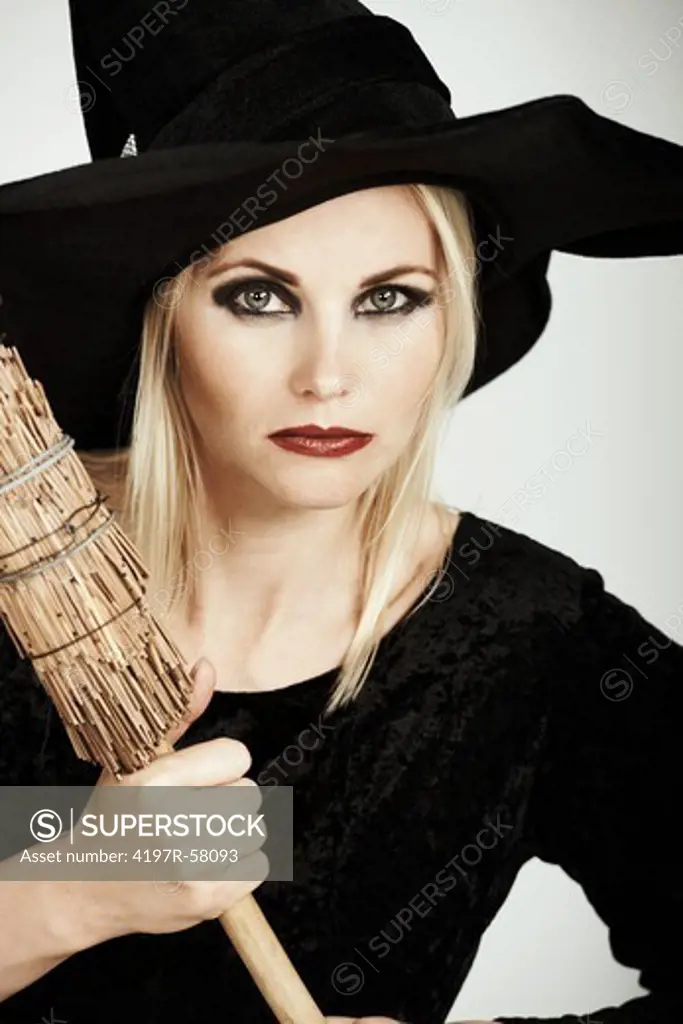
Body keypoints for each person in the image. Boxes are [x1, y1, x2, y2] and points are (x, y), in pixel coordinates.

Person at [0, 3, 681, 1023]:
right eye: (258, 297)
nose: (328, 376)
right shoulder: (18, 572)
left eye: (389, 298)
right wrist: (62, 894)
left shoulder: (533, 644)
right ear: (162, 316)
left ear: (452, 315)